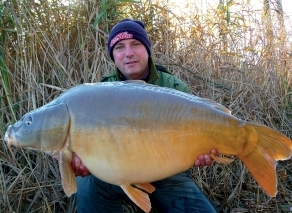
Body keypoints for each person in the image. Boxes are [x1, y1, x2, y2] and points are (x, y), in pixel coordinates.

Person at [73, 18, 218, 213]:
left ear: (147, 49)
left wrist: (203, 153)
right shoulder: (101, 92)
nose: (128, 53)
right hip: (116, 172)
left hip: (167, 174)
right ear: (113, 56)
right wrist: (83, 159)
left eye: (136, 44)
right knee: (87, 185)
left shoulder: (174, 88)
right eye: (119, 48)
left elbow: (196, 138)